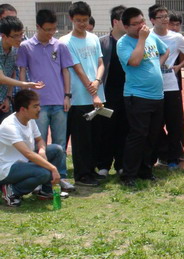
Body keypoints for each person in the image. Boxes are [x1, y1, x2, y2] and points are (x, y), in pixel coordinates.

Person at [16, 10, 75, 192]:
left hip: (58, 101)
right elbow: (23, 72)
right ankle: (40, 179)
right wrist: (25, 97)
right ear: (38, 27)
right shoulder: (26, 46)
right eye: (47, 29)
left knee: (59, 143)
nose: (51, 33)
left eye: (54, 29)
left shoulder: (60, 46)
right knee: (37, 144)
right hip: (36, 105)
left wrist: (67, 95)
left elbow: (66, 71)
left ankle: (61, 177)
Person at [116, 7, 168, 187]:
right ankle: (129, 173)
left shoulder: (152, 37)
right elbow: (135, 61)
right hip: (137, 95)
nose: (140, 26)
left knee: (152, 136)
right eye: (135, 24)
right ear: (125, 26)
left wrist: (157, 65)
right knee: (138, 135)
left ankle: (146, 170)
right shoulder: (123, 43)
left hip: (157, 96)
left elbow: (165, 51)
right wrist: (142, 39)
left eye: (141, 22)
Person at [60, 1, 106, 187]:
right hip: (79, 97)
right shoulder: (65, 41)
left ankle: (91, 170)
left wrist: (97, 82)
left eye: (85, 20)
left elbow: (100, 63)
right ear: (71, 19)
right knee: (81, 139)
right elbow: (77, 69)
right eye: (78, 20)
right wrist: (91, 88)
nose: (82, 23)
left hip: (96, 94)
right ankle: (82, 174)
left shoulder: (94, 38)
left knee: (95, 136)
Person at [0, 90, 67, 207]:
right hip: (7, 168)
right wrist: (53, 168)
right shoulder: (9, 126)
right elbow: (28, 154)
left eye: (39, 105)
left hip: (24, 163)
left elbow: (39, 139)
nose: (39, 109)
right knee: (44, 173)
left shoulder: (29, 119)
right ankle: (12, 191)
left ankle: (46, 191)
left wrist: (41, 150)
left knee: (56, 150)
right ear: (23, 109)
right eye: (35, 106)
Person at [149, 4, 184, 170]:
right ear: (152, 20)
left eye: (165, 16)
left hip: (171, 86)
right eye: (160, 17)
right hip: (151, 87)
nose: (164, 20)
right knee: (154, 124)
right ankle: (160, 153)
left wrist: (180, 65)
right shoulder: (147, 36)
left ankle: (173, 158)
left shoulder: (176, 37)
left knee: (174, 123)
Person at [94, 5, 127, 177]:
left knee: (124, 129)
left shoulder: (132, 42)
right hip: (107, 93)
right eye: (125, 20)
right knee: (106, 130)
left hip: (127, 93)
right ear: (115, 22)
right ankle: (103, 166)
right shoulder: (102, 43)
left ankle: (121, 164)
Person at [0, 16, 45, 125]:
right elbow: (1, 79)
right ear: (4, 36)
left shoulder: (15, 49)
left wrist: (8, 97)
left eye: (21, 34)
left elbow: (12, 72)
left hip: (3, 101)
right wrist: (26, 84)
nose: (20, 38)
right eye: (15, 36)